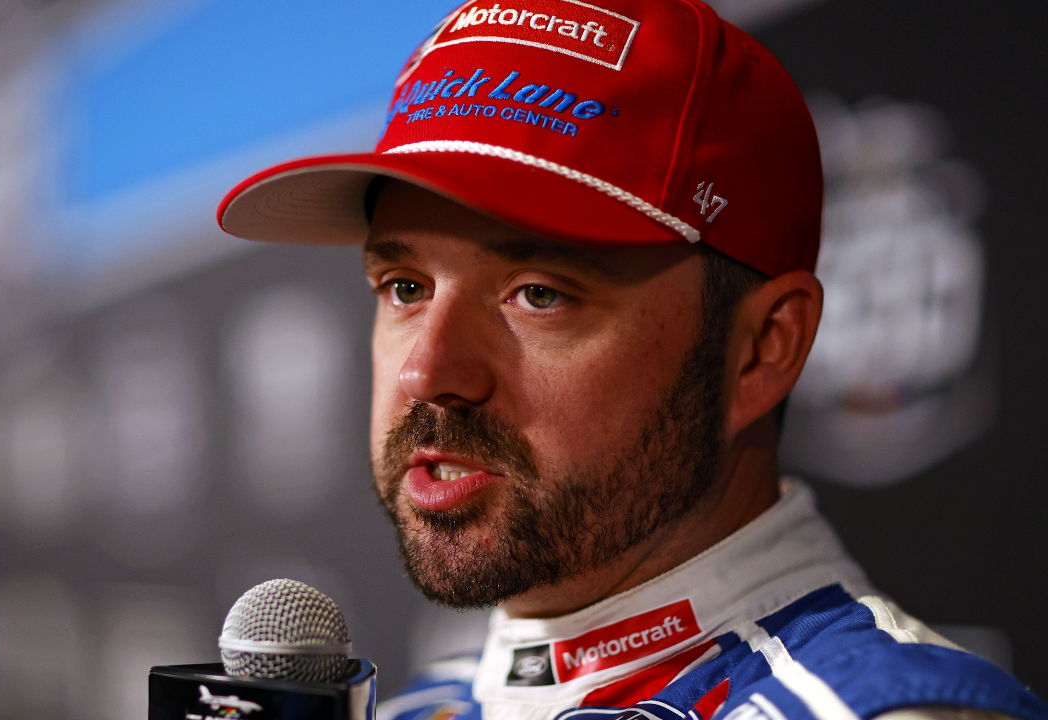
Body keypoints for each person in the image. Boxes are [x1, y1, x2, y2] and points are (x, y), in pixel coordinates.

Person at [216, 1, 1048, 719]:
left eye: (539, 293)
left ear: (764, 349)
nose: (426, 373)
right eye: (403, 287)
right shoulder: (425, 702)